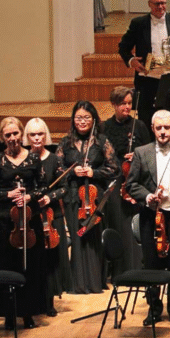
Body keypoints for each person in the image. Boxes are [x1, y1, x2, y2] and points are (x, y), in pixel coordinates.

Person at [125, 110, 170, 327]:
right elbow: (131, 184)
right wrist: (147, 196)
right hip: (150, 216)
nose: (163, 132)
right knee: (151, 265)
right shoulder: (141, 152)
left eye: (167, 127)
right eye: (159, 128)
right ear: (153, 129)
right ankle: (154, 309)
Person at [58, 101, 118, 295]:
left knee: (92, 236)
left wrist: (94, 172)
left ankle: (94, 281)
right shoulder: (65, 143)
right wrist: (72, 171)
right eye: (78, 117)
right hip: (73, 196)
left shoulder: (101, 141)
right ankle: (77, 283)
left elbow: (114, 168)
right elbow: (57, 169)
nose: (82, 121)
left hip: (93, 196)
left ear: (93, 120)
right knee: (78, 236)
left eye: (86, 117)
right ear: (73, 120)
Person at [118, 0, 170, 125]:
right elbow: (123, 47)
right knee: (146, 115)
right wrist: (131, 60)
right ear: (149, 4)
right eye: (157, 3)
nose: (160, 7)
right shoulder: (138, 23)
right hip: (147, 75)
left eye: (163, 3)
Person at [99, 87, 152, 275]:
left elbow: (149, 152)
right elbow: (101, 156)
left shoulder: (139, 126)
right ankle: (119, 269)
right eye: (123, 104)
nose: (127, 107)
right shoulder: (105, 127)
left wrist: (137, 155)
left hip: (135, 179)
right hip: (115, 181)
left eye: (129, 103)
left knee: (135, 223)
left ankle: (138, 266)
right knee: (118, 222)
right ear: (114, 104)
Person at [22, 118, 69, 313]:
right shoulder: (23, 159)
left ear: (45, 135)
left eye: (40, 133)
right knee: (34, 259)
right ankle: (34, 300)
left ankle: (49, 301)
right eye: (32, 134)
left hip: (51, 215)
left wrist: (49, 197)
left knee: (50, 260)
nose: (37, 138)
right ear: (27, 137)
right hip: (31, 215)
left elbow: (64, 187)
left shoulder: (54, 160)